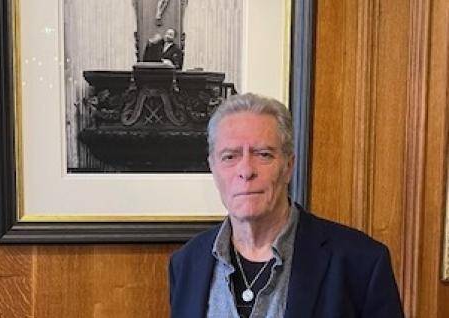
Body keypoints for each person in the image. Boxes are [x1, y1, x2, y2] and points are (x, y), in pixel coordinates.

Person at [168, 93, 404, 318]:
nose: (246, 171)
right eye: (230, 156)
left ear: (288, 166)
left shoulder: (361, 262)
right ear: (213, 167)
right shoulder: (187, 264)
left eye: (263, 154)